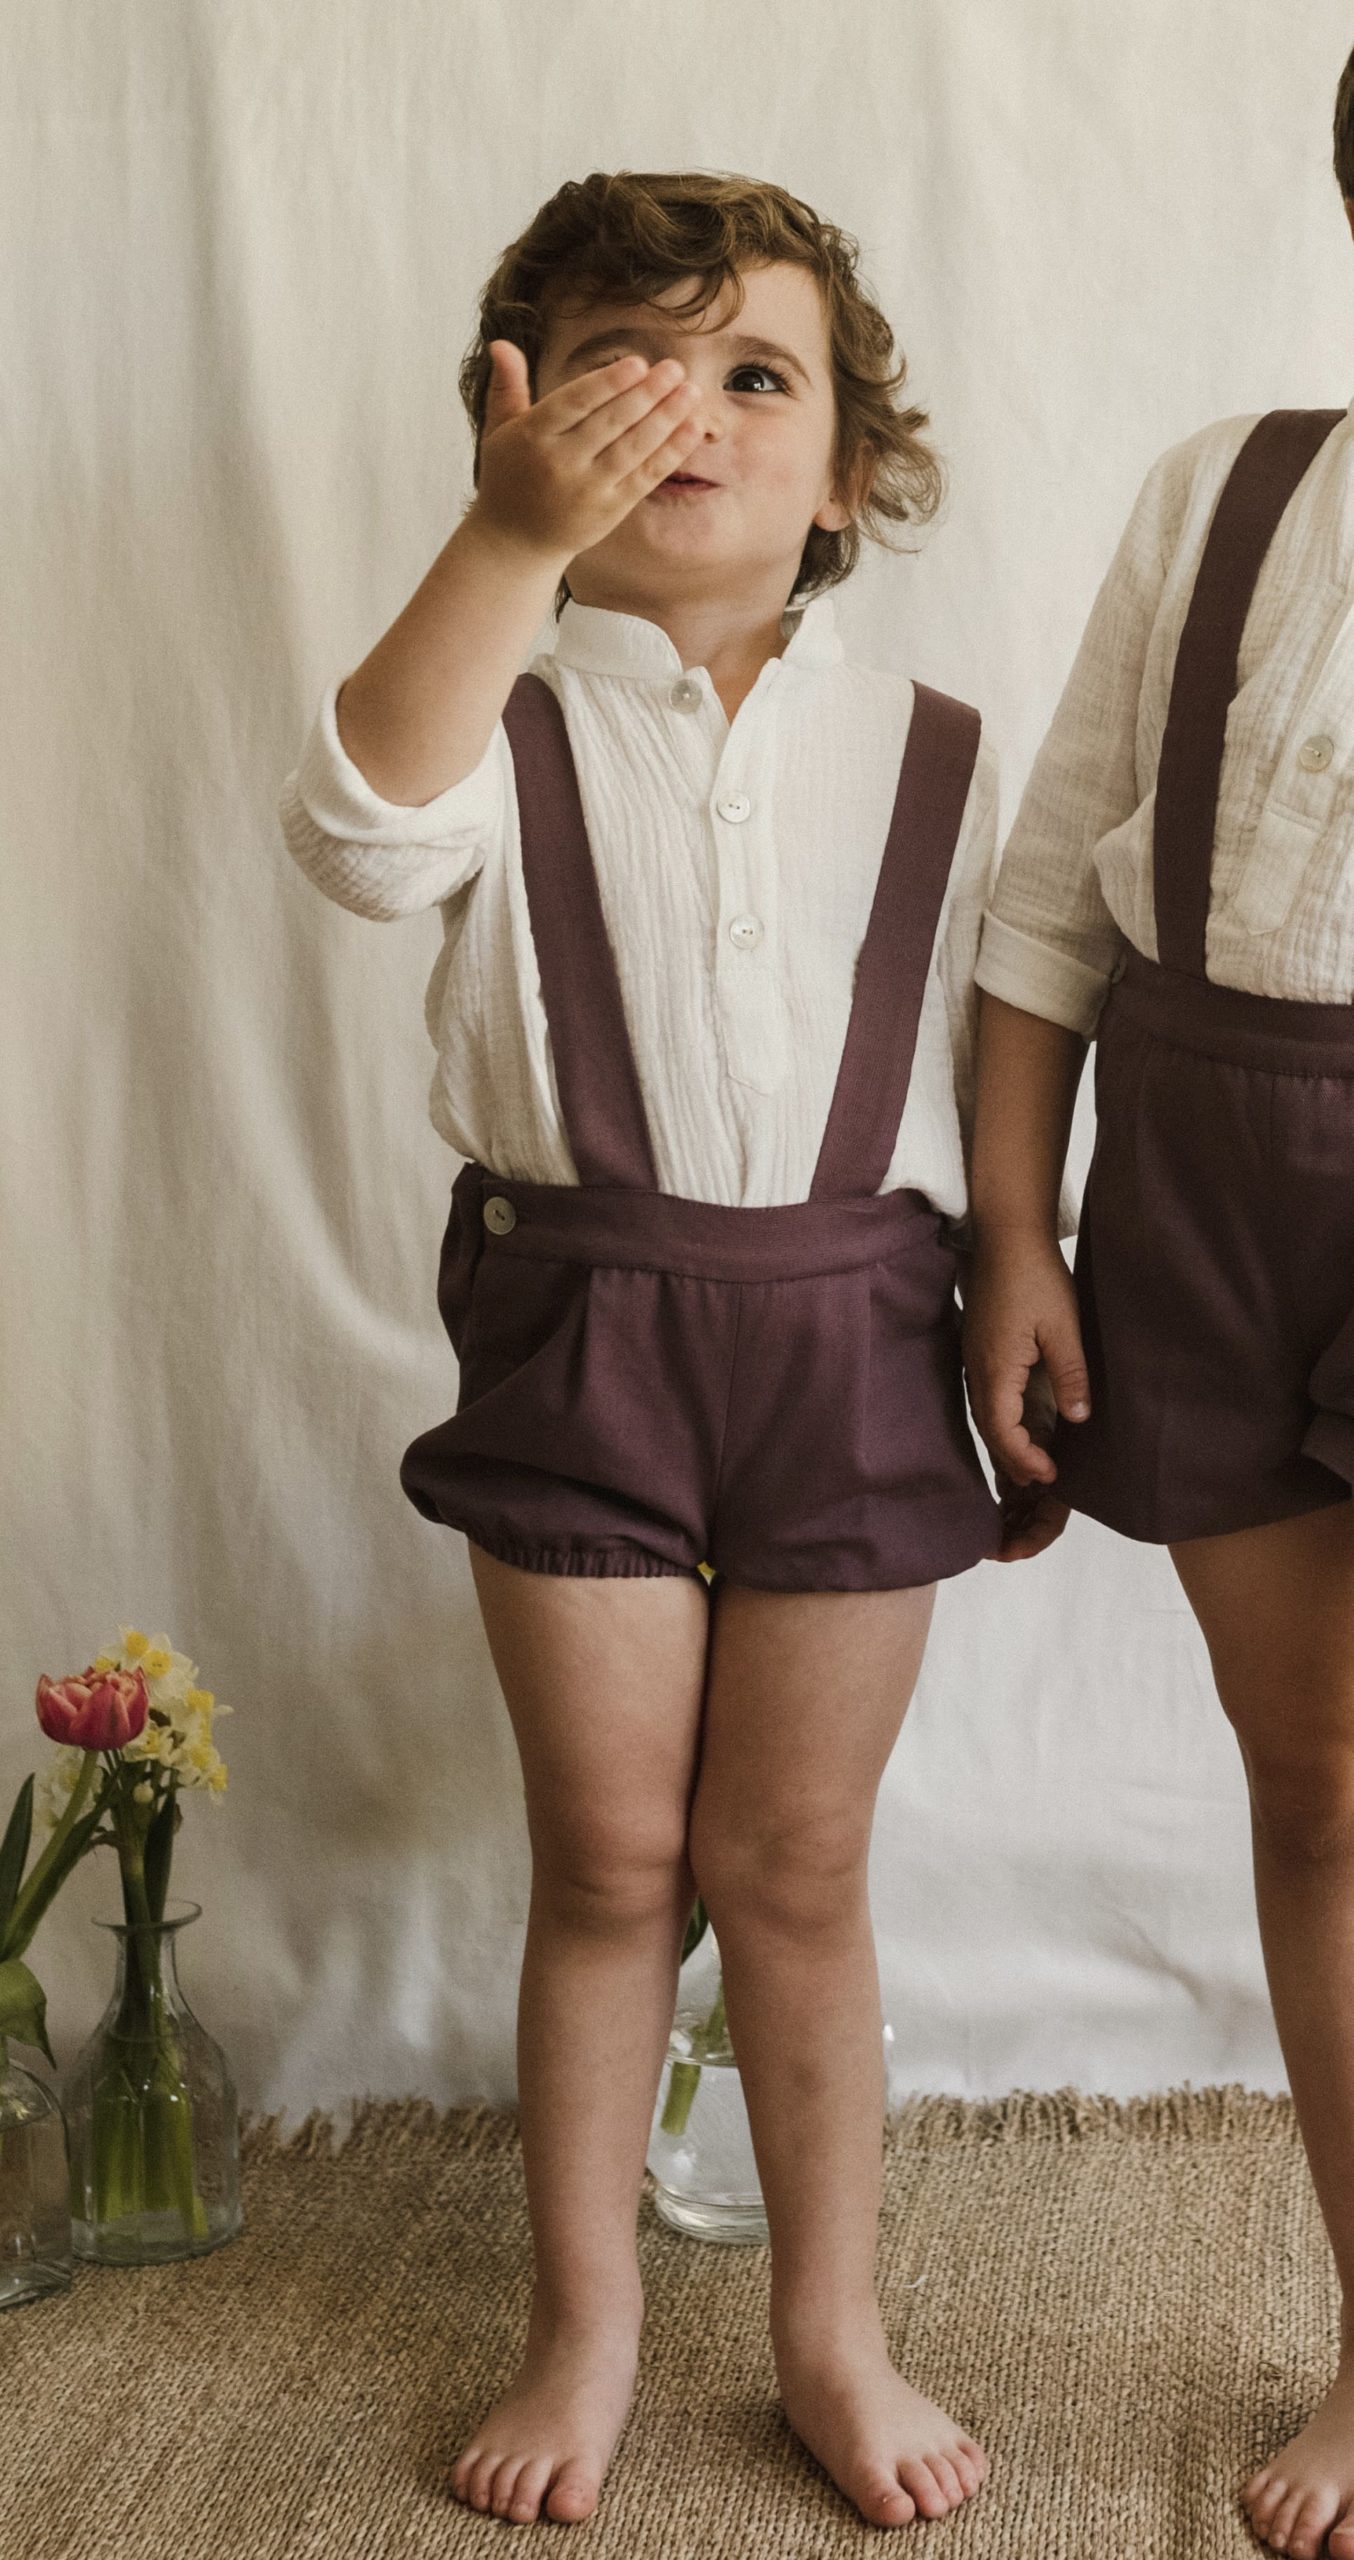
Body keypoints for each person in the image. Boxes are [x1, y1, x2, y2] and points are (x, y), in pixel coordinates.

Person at [280, 167, 1001, 2532]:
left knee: (790, 1862)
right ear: (521, 422)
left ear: (846, 472)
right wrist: (506, 546)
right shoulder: (492, 712)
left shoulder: (936, 746)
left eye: (751, 372)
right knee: (606, 1858)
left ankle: (826, 2323)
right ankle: (579, 2319)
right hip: (576, 1327)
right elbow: (354, 830)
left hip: (857, 1336)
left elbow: (1013, 1048)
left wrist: (1030, 1268)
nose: (687, 412)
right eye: (625, 368)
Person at [963, 50, 1354, 2560]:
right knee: (1314, 1784)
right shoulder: (1219, 492)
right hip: (1206, 1182)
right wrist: (1012, 1224)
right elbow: (1046, 902)